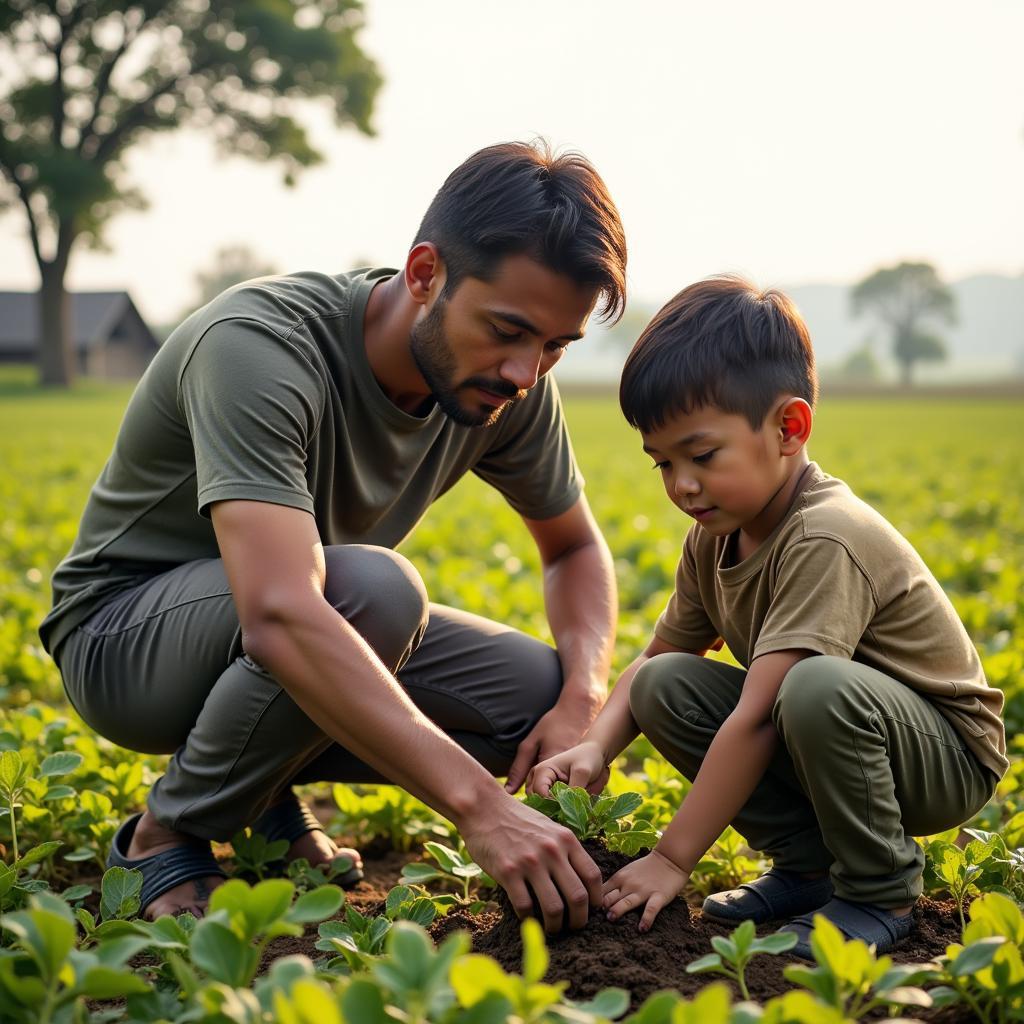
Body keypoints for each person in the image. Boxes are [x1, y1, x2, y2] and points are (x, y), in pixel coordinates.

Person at [40, 140, 628, 929]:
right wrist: (482, 809)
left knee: (530, 699)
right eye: (507, 330)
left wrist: (582, 697)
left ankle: (262, 796)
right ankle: (164, 835)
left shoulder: (511, 391)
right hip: (124, 641)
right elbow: (281, 610)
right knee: (371, 592)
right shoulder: (262, 346)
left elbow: (576, 549)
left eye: (556, 346)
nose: (525, 372)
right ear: (424, 275)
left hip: (290, 622)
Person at [527, 275, 1006, 955]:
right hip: (838, 731)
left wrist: (671, 858)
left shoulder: (825, 536)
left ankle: (879, 890)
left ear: (789, 427)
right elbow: (660, 659)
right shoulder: (714, 536)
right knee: (663, 684)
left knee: (808, 686)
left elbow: (757, 716)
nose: (681, 485)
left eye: (702, 455)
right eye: (662, 463)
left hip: (943, 756)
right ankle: (807, 867)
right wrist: (597, 745)